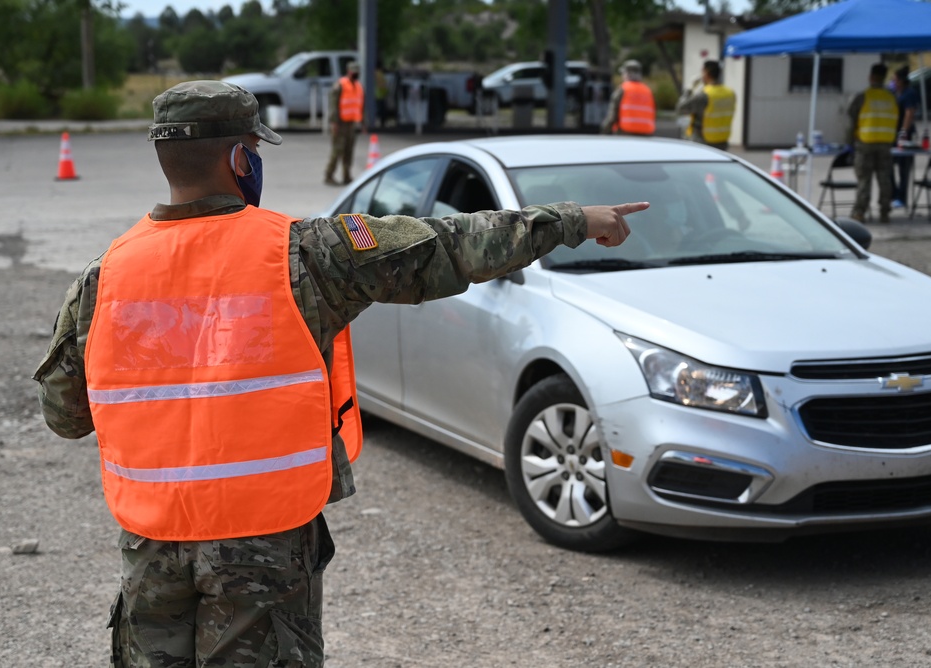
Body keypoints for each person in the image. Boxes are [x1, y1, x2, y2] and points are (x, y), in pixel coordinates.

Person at [32, 80, 646, 667]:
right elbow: (449, 244)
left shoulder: (103, 277)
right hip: (264, 542)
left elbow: (64, 416)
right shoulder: (302, 253)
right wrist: (573, 220)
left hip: (153, 539)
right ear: (243, 160)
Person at [847, 63, 898, 223]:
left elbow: (851, 121)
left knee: (864, 180)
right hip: (885, 143)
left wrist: (849, 143)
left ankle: (860, 212)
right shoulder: (891, 97)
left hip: (865, 143)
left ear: (871, 77)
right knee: (885, 180)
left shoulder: (863, 96)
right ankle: (885, 212)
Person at [675, 60, 737, 150]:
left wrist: (689, 89)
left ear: (706, 73)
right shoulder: (730, 93)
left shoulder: (704, 95)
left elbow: (680, 108)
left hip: (703, 143)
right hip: (722, 142)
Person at [324, 61, 363, 185]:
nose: (355, 74)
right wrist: (334, 122)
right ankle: (329, 175)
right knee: (337, 150)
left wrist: (362, 122)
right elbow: (333, 105)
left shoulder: (358, 86)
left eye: (357, 72)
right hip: (339, 124)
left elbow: (360, 105)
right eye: (353, 71)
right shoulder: (340, 85)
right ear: (349, 71)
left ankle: (347, 176)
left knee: (349, 151)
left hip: (351, 124)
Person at [890, 65, 921, 210]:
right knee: (889, 165)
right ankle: (894, 194)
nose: (893, 82)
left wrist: (903, 132)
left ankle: (901, 197)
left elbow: (909, 114)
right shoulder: (898, 93)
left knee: (904, 168)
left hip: (905, 135)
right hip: (894, 134)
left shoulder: (909, 93)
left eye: (895, 79)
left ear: (901, 80)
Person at [600, 59, 656, 136]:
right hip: (646, 135)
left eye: (623, 73)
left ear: (627, 74)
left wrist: (604, 131)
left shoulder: (622, 90)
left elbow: (612, 117)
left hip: (625, 135)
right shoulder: (648, 91)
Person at [374, 65, 389, 129]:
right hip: (380, 95)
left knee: (379, 109)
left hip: (377, 94)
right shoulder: (379, 74)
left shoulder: (375, 73)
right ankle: (382, 123)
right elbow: (383, 85)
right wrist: (387, 92)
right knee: (381, 110)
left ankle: (381, 122)